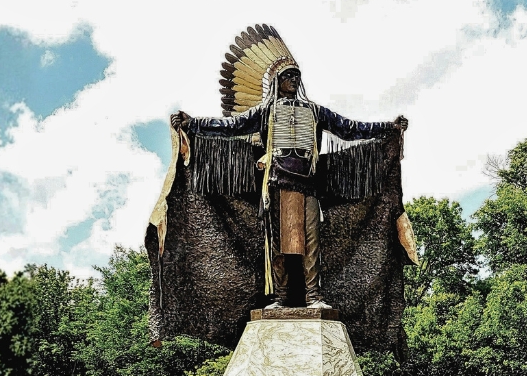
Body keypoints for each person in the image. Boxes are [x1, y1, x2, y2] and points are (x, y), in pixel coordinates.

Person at [170, 32, 407, 310]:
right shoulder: (264, 111)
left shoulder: (315, 111)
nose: (294, 80)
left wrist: (388, 128)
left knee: (311, 244)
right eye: (288, 76)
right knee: (278, 245)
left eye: (297, 76)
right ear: (277, 81)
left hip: (308, 186)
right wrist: (194, 123)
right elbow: (231, 126)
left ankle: (314, 297)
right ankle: (280, 299)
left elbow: (350, 128)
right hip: (276, 185)